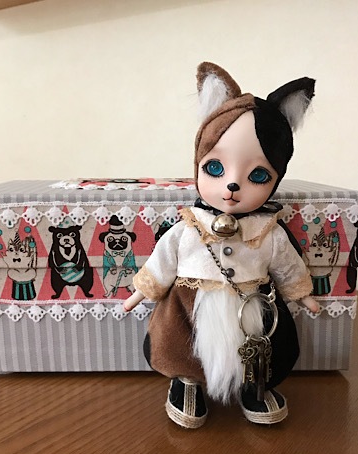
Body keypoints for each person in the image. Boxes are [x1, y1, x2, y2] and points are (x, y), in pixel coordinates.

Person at [124, 62, 319, 428]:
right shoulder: (188, 227)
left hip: (252, 302)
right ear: (198, 163)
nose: (232, 185)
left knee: (261, 347)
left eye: (257, 175)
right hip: (189, 304)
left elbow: (286, 263)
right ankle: (188, 382)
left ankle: (253, 387)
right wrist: (143, 290)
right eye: (215, 168)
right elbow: (164, 259)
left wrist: (301, 293)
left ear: (275, 179)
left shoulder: (268, 230)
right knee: (180, 344)